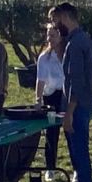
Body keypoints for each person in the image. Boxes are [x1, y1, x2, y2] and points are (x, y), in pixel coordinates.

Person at [52, 2, 92, 182]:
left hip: (77, 107)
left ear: (66, 17)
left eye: (56, 20)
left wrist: (69, 112)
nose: (54, 24)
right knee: (79, 152)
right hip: (82, 104)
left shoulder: (76, 44)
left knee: (80, 152)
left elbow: (76, 82)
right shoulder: (81, 40)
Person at [35, 23, 69, 170]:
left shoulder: (67, 54)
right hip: (51, 96)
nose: (50, 38)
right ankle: (50, 168)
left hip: (66, 95)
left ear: (60, 36)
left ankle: (76, 169)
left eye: (53, 35)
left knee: (70, 132)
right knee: (51, 133)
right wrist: (38, 99)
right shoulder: (44, 57)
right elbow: (40, 79)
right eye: (48, 35)